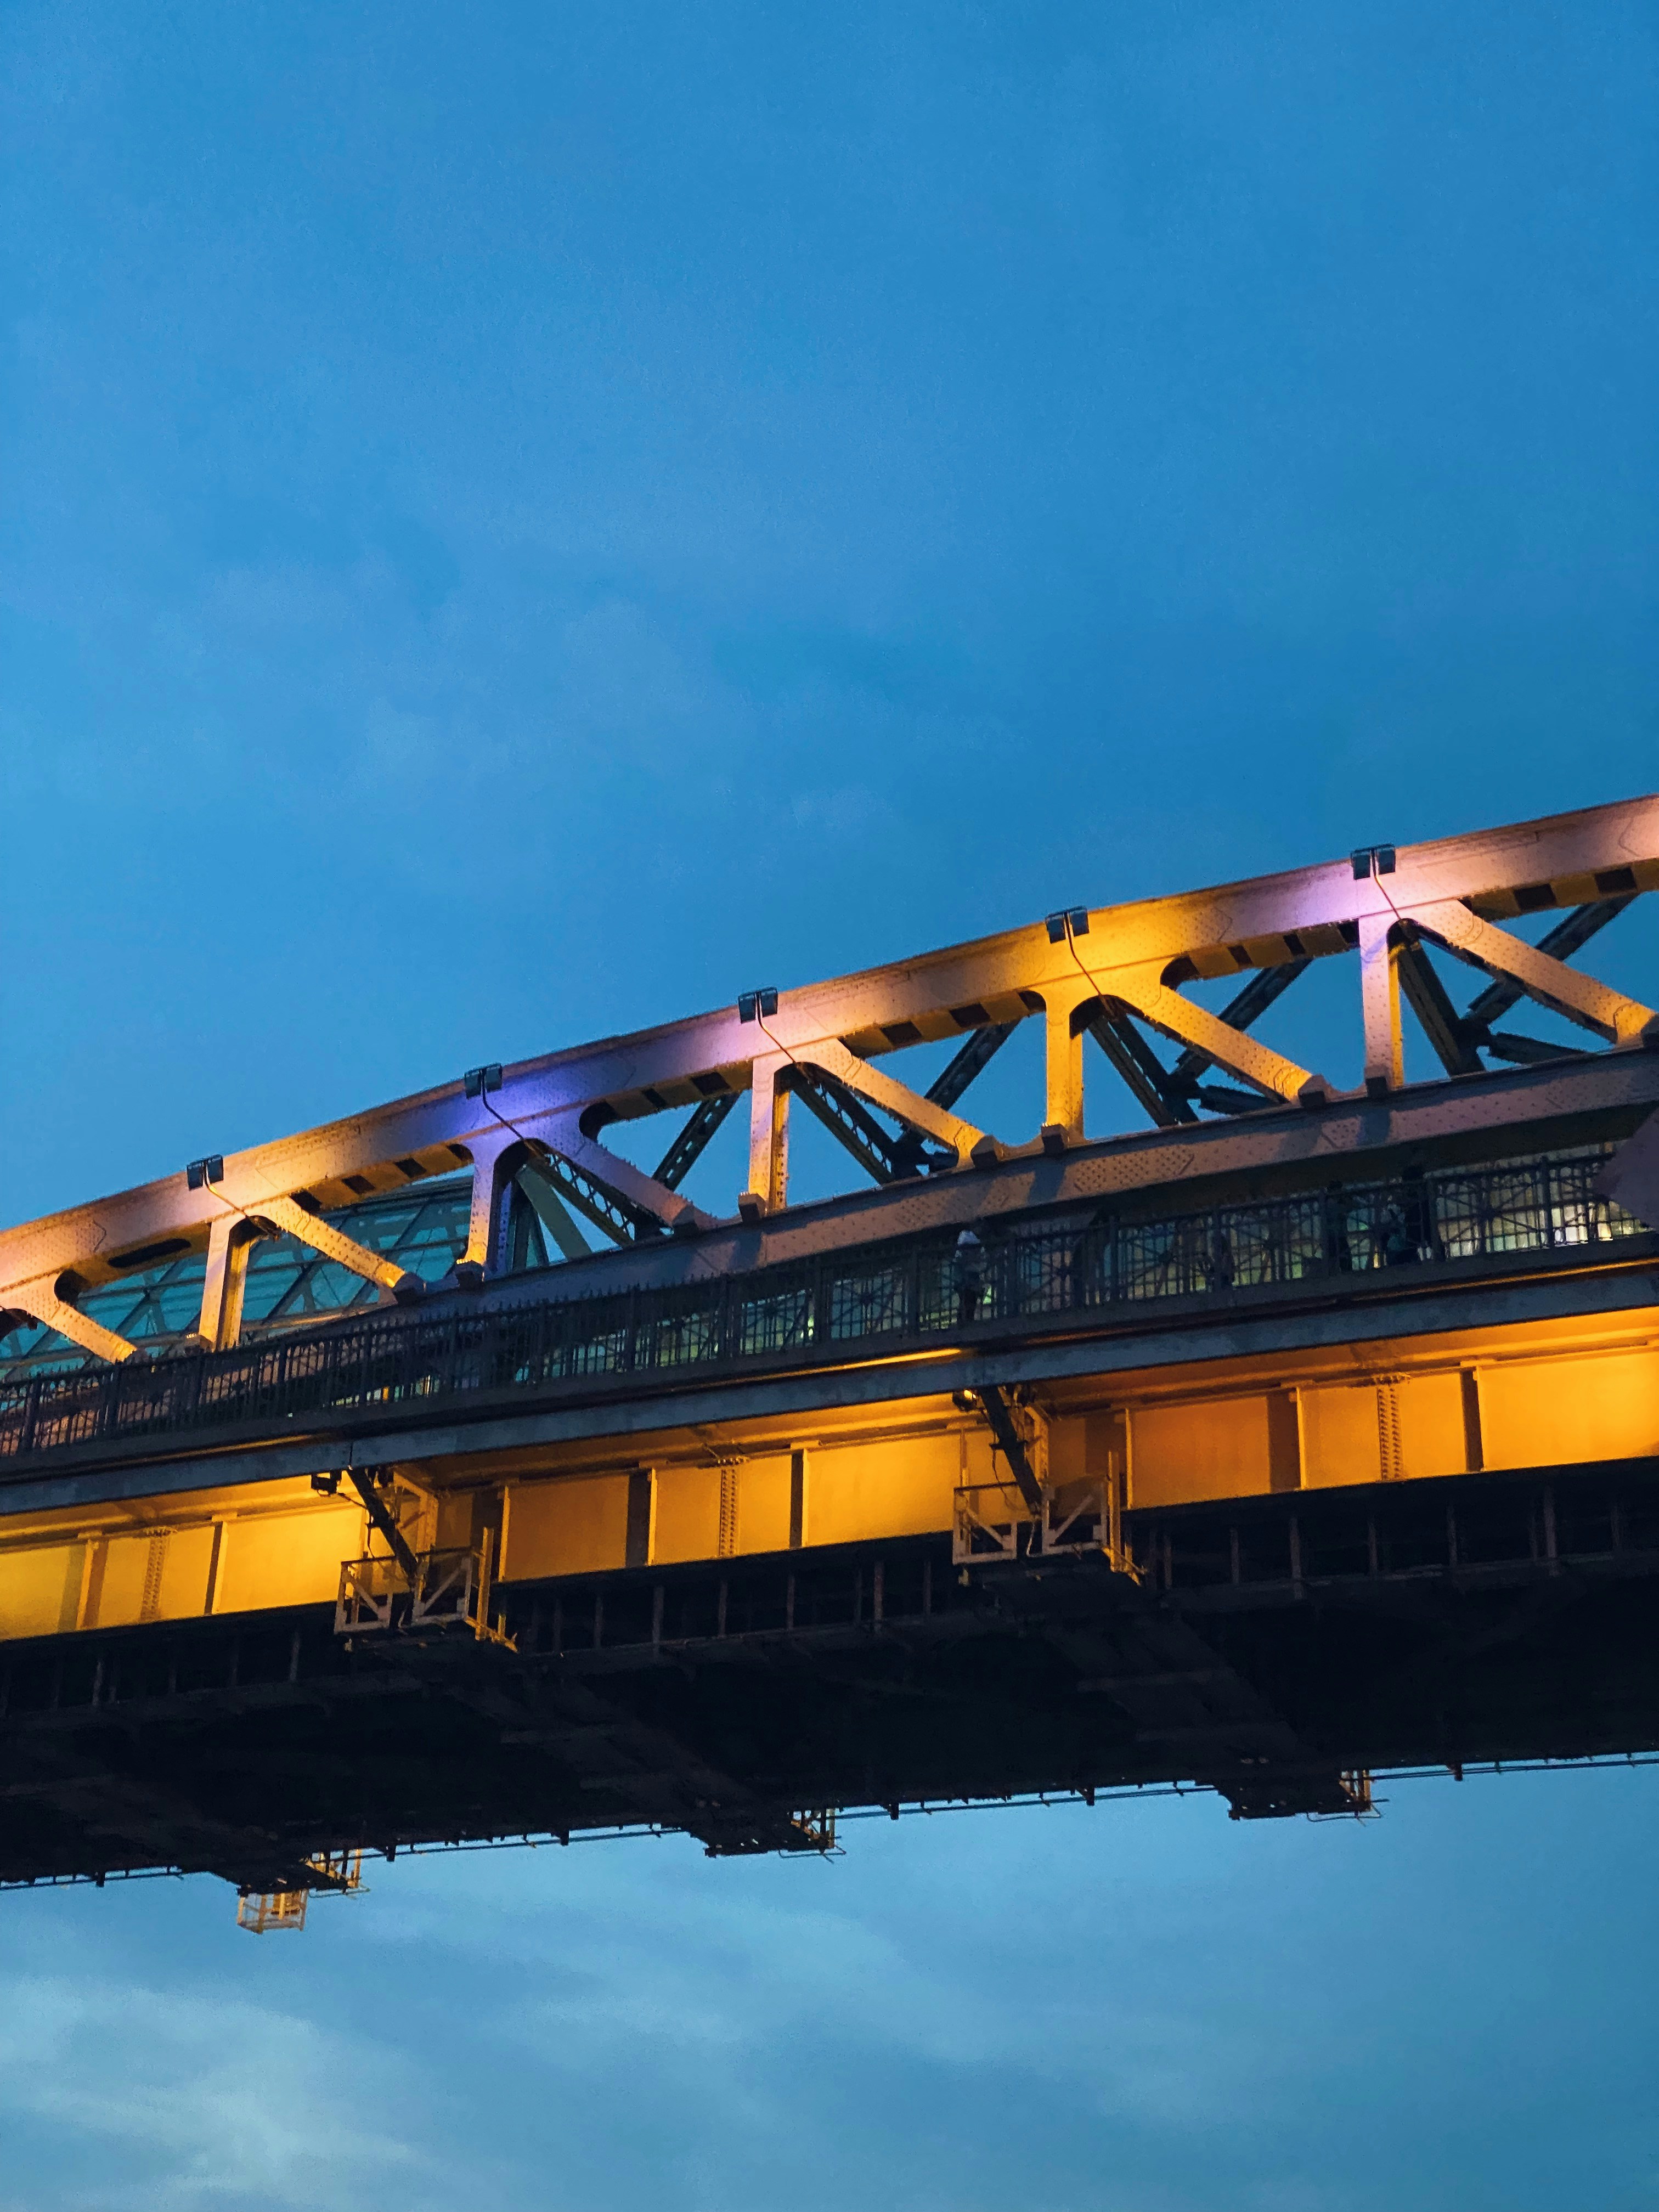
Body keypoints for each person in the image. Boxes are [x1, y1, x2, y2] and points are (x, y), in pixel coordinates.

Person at [952, 1224, 988, 1327]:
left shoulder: (966, 1240)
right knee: (967, 1299)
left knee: (969, 1300)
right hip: (966, 1279)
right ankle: (965, 1320)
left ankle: (966, 1319)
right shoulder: (967, 1238)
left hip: (970, 1278)